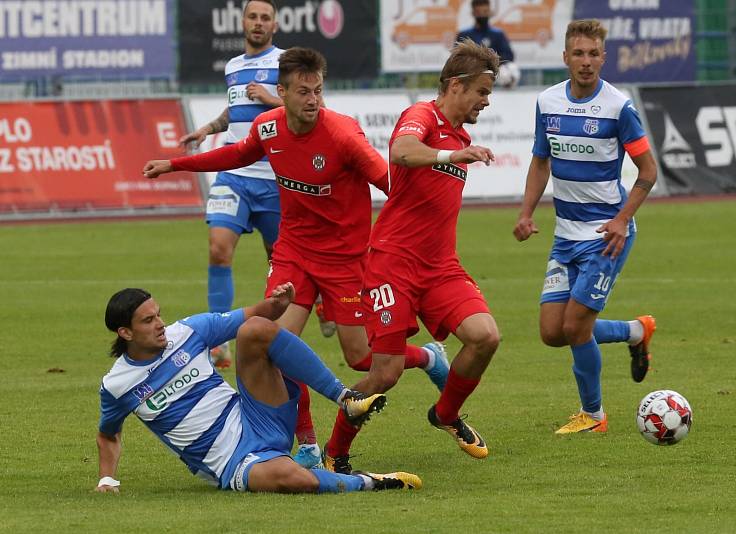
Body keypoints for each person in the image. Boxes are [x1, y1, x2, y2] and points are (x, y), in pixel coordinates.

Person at [143, 47, 449, 471]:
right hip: (294, 255)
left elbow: (390, 184)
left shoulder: (343, 134)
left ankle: (429, 357)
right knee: (272, 342)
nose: (312, 99)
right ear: (281, 93)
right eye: (303, 91)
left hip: (346, 262)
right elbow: (235, 155)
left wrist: (418, 234)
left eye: (318, 90)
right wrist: (176, 164)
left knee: (362, 358)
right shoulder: (268, 127)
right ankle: (305, 442)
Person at [322, 39, 502, 472]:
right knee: (385, 373)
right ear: (456, 85)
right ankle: (335, 452)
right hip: (393, 265)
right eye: (481, 92)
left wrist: (457, 148)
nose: (485, 102)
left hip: (440, 267)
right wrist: (451, 154)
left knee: (485, 336)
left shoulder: (462, 135)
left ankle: (445, 414)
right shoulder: (421, 116)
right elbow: (401, 152)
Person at [95, 283, 422, 494]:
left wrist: (277, 304)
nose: (160, 324)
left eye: (158, 315)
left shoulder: (187, 332)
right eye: (148, 320)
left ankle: (346, 398)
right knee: (295, 480)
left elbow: (253, 315)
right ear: (125, 332)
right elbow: (108, 434)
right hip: (232, 461)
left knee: (253, 330)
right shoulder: (118, 385)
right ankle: (370, 482)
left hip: (258, 415)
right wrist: (107, 479)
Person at [512, 19, 658, 434]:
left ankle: (593, 416)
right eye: (578, 53)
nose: (586, 62)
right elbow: (541, 161)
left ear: (603, 57)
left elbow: (648, 169)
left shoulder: (618, 107)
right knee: (551, 332)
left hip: (606, 236)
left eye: (593, 54)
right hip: (564, 236)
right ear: (565, 58)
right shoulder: (548, 102)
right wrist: (526, 213)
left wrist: (622, 219)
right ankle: (635, 331)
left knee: (576, 327)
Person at [178, 0, 335, 370]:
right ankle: (218, 343)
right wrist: (207, 129)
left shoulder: (286, 63)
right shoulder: (233, 66)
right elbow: (234, 111)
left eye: (266, 18)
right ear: (243, 21)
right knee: (218, 249)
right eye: (253, 16)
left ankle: (320, 299)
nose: (259, 23)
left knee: (282, 265)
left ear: (275, 25)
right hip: (235, 174)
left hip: (277, 177)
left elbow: (317, 106)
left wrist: (272, 99)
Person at [456, 0, 518, 88]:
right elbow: (457, 60)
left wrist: (491, 63)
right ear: (473, 13)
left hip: (495, 75)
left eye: (485, 12)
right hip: (471, 77)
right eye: (479, 12)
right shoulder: (464, 35)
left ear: (490, 12)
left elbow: (509, 56)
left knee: (511, 68)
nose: (482, 15)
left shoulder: (498, 34)